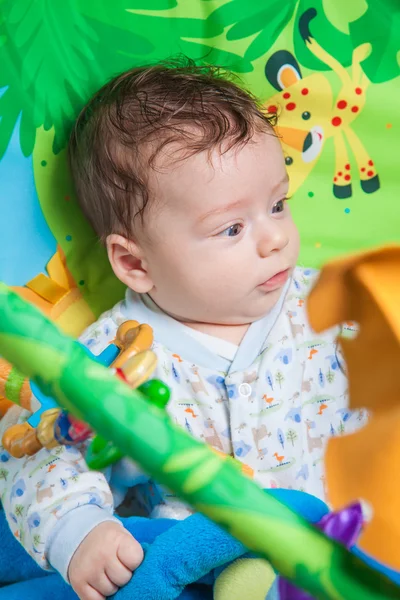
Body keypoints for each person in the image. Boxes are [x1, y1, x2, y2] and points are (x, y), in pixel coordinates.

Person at [0, 59, 366, 600]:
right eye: (233, 228)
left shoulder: (330, 305)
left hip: (340, 544)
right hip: (198, 566)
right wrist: (80, 532)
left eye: (278, 204)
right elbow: (41, 459)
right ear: (135, 263)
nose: (274, 239)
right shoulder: (109, 358)